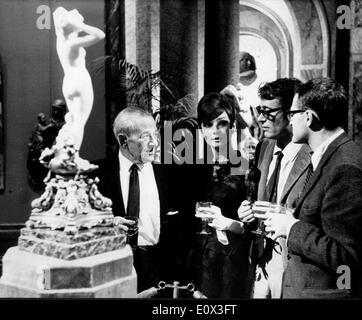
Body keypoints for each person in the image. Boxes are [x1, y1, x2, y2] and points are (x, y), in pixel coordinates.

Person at [263, 78, 362, 299]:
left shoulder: (345, 167)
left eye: (292, 114)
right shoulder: (330, 155)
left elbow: (346, 257)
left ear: (308, 117)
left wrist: (291, 227)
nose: (289, 120)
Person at [237, 78, 311, 299]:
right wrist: (246, 211)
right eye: (260, 110)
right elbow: (257, 195)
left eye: (268, 112)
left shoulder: (311, 154)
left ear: (291, 114)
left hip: (292, 261)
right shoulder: (265, 146)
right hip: (260, 257)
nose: (260, 118)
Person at [93, 107, 176, 294]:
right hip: (113, 269)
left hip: (158, 272)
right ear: (123, 140)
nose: (154, 143)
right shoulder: (96, 175)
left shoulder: (167, 174)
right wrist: (107, 225)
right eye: (146, 137)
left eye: (156, 135)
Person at [193, 92, 252, 298]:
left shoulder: (245, 168)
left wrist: (226, 222)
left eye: (222, 124)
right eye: (208, 125)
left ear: (233, 126)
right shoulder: (194, 168)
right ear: (201, 129)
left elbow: (253, 230)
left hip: (230, 262)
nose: (215, 131)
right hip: (196, 263)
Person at [52, 7, 105, 150]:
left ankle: (68, 154)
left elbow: (57, 13)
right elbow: (100, 35)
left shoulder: (61, 41)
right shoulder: (72, 43)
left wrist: (68, 21)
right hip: (80, 80)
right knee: (79, 122)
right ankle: (73, 156)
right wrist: (80, 26)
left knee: (74, 120)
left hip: (68, 82)